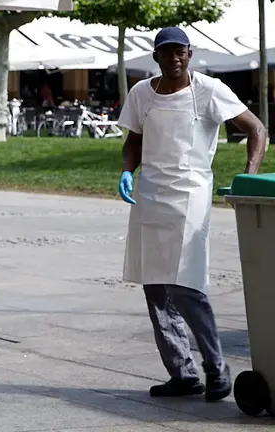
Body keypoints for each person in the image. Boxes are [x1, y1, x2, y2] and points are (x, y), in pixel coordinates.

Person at [117, 27, 266, 401]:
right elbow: (133, 140)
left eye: (179, 52)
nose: (174, 59)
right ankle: (182, 373)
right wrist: (126, 170)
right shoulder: (141, 93)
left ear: (190, 53)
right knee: (155, 286)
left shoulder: (209, 90)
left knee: (186, 285)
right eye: (166, 53)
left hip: (190, 192)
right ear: (156, 57)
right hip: (150, 194)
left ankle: (216, 368)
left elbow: (256, 129)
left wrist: (249, 174)